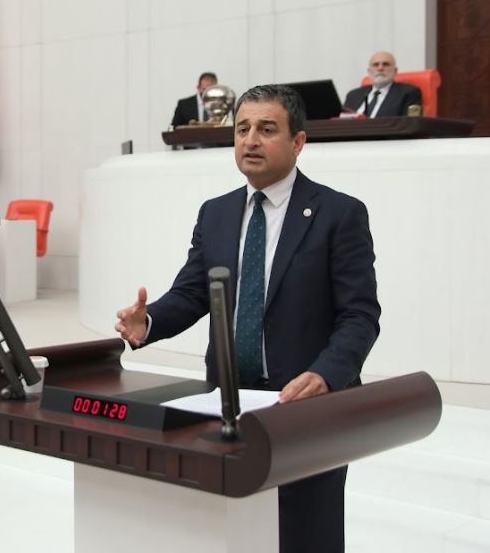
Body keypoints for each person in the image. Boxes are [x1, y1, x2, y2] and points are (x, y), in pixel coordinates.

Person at [116, 84, 380, 553]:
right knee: (232, 532)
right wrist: (149, 321)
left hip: (304, 407)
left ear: (298, 142)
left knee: (305, 534)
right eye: (242, 129)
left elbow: (360, 315)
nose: (251, 140)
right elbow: (193, 293)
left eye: (267, 129)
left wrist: (325, 374)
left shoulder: (339, 214)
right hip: (228, 402)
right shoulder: (215, 213)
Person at [342, 51, 422, 117]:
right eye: (375, 65)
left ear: (395, 71)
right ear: (369, 71)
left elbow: (409, 125)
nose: (380, 68)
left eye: (385, 64)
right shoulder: (353, 95)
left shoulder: (408, 93)